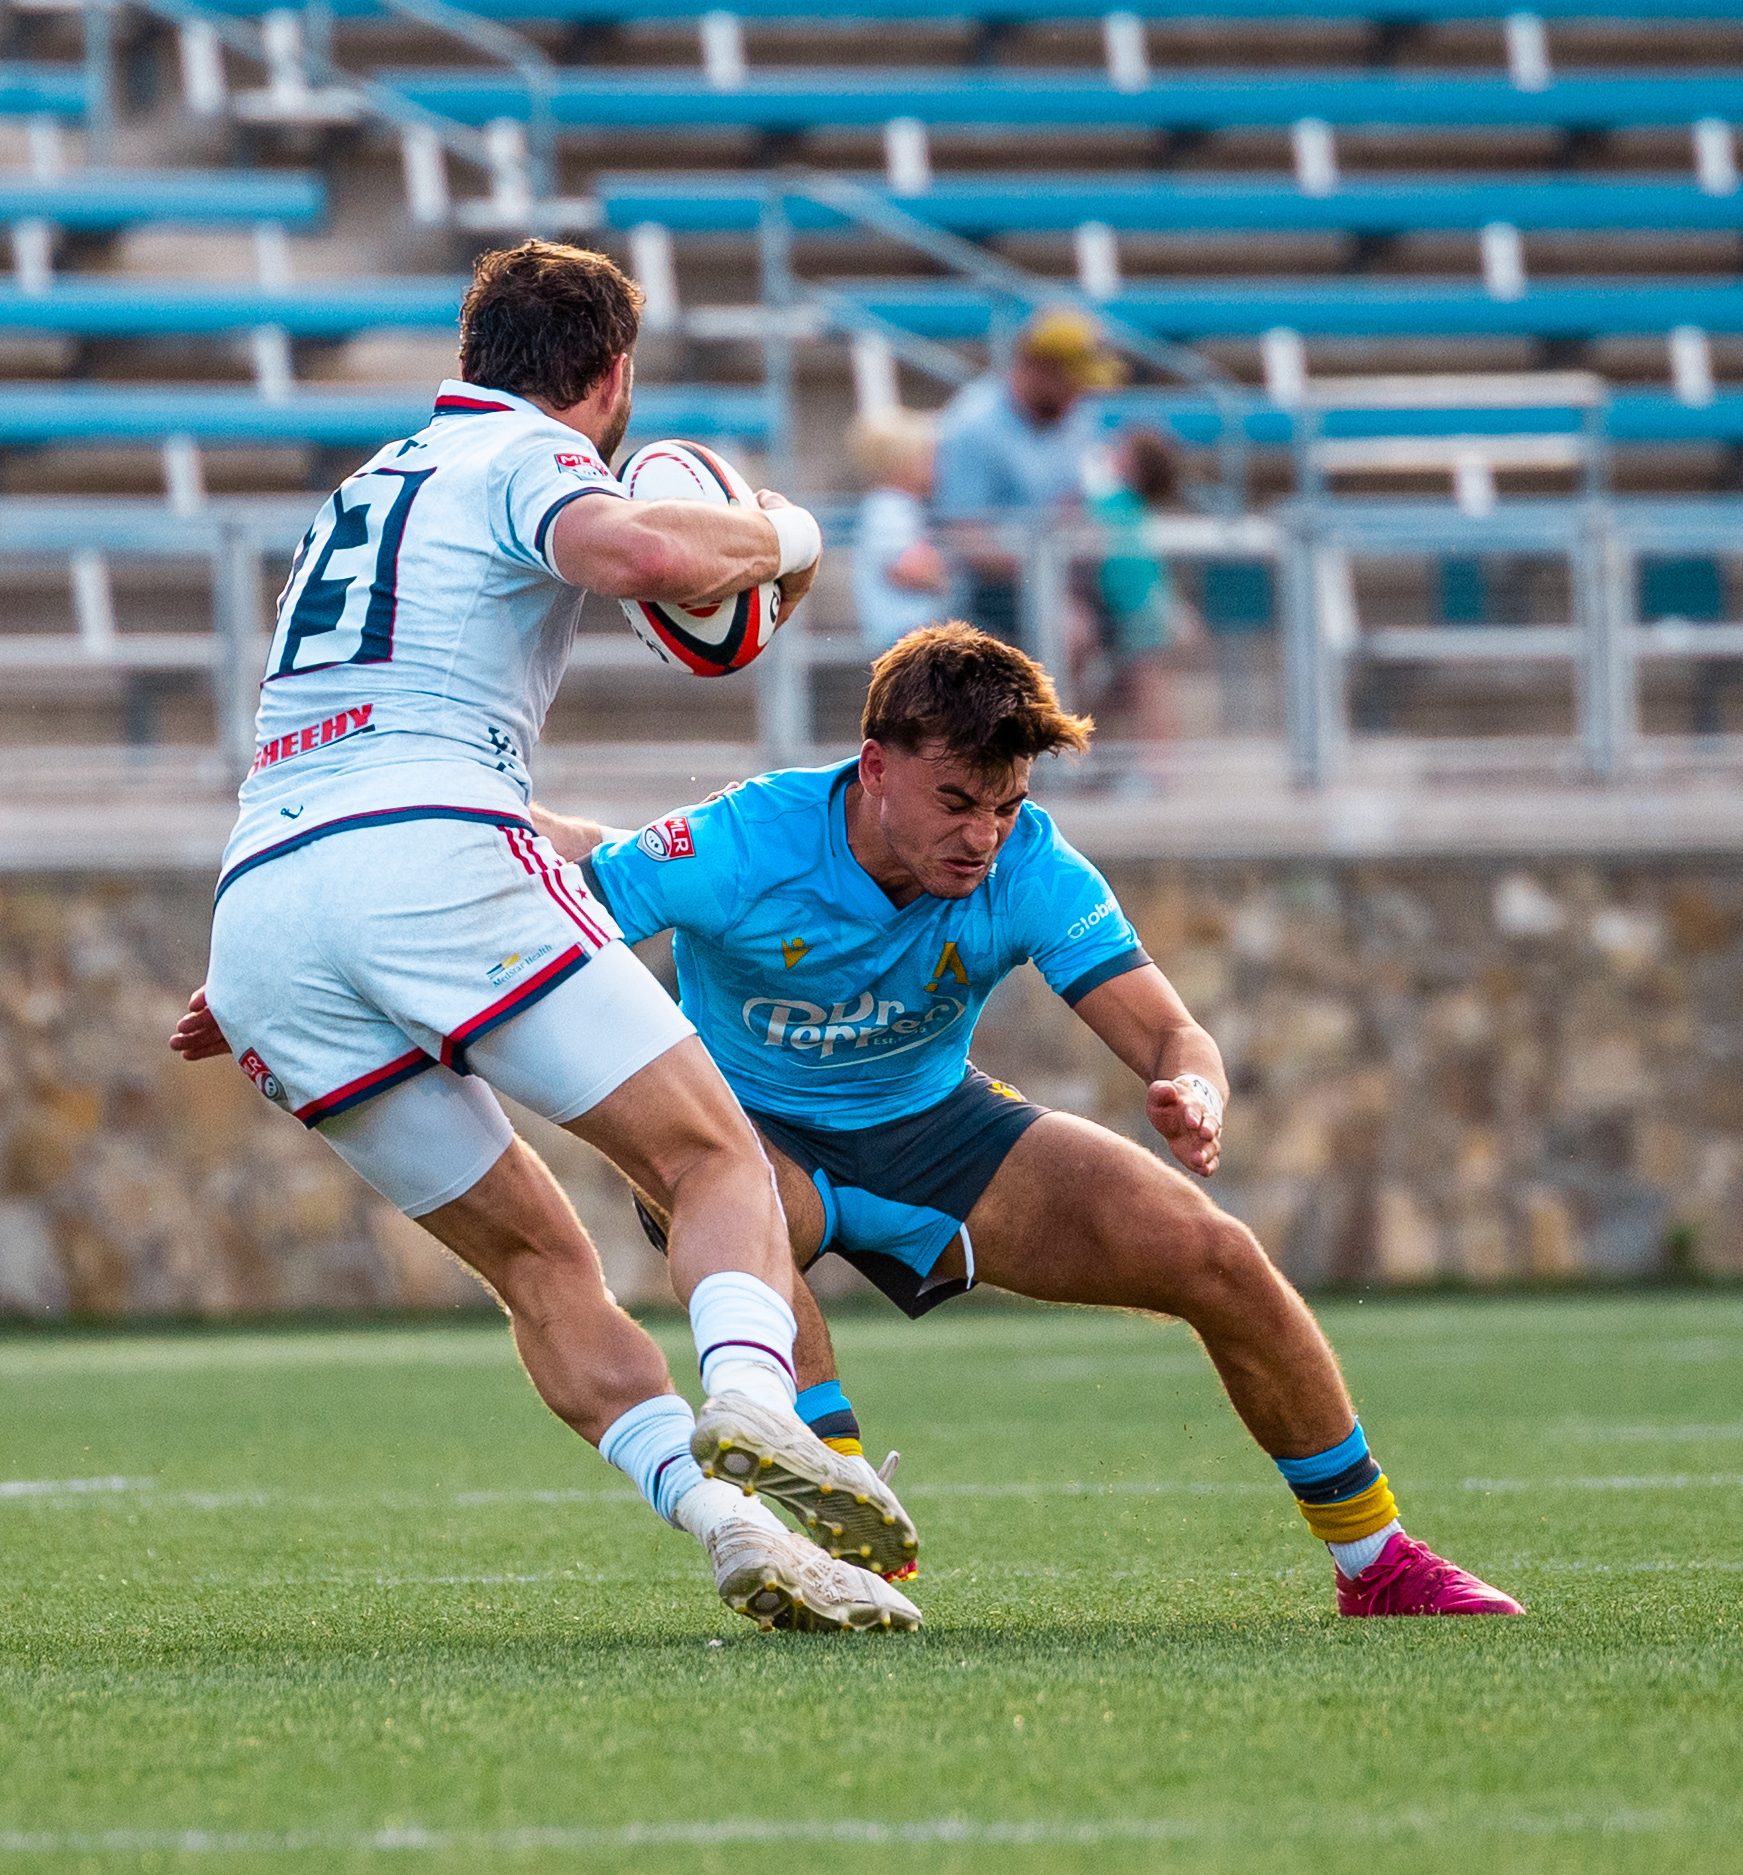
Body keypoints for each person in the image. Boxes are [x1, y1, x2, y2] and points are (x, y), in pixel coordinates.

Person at [169, 236, 921, 1634]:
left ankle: (733, 1527)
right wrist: (791, 536)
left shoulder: (360, 489)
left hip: (266, 907)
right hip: (429, 858)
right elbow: (642, 552)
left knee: (536, 1265)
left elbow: (355, 728)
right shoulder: (530, 454)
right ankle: (755, 1404)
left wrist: (280, 953)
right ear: (613, 376)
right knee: (712, 1155)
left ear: (470, 355)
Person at [526, 623, 1524, 1619]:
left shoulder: (1030, 864)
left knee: (1215, 1255)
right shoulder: (739, 842)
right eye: (956, 802)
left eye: (1005, 805)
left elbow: (1172, 1034)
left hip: (930, 1124)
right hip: (744, 1125)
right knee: (745, 1194)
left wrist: (1194, 1091)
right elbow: (555, 917)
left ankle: (1379, 1563)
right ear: (874, 767)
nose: (982, 836)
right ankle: (838, 1520)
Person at [932, 310, 1123, 645]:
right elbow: (964, 536)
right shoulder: (973, 424)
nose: (1079, 395)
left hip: (1065, 576)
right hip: (989, 593)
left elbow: (1079, 503)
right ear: (1040, 369)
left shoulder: (1076, 418)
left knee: (1151, 621)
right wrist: (1041, 567)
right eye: (1073, 384)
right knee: (1068, 633)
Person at [1077, 424, 1199, 783]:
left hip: (1138, 608)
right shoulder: (1126, 505)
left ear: (1133, 465)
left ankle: (1159, 767)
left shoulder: (1116, 503)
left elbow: (1144, 573)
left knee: (1150, 687)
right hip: (1121, 607)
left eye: (1121, 450)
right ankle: (1117, 767)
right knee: (1127, 690)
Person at [846, 410, 952, 657]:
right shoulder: (888, 506)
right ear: (902, 463)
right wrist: (946, 575)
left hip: (908, 631)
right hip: (901, 630)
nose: (936, 465)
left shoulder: (904, 506)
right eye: (926, 457)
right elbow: (906, 569)